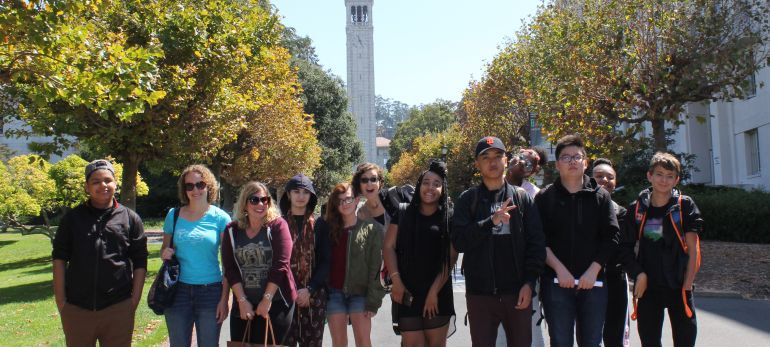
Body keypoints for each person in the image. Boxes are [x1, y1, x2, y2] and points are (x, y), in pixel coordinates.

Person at [451, 136, 546, 347]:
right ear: (477, 164)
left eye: (498, 156)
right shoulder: (469, 200)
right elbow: (459, 241)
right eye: (485, 157)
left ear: (506, 160)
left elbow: (536, 245)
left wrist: (529, 283)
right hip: (480, 295)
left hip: (517, 293)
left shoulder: (522, 198)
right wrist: (491, 221)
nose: (492, 162)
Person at [52, 159, 148, 347]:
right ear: (87, 187)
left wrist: (133, 301)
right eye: (96, 182)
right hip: (77, 309)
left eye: (107, 180)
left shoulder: (130, 218)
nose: (103, 185)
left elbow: (140, 262)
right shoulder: (72, 219)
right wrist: (61, 302)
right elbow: (59, 259)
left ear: (115, 183)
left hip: (118, 307)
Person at [534, 134, 619, 347]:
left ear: (586, 162)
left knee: (592, 342)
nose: (572, 161)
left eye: (577, 156)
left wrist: (593, 270)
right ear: (557, 164)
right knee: (561, 341)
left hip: (594, 283)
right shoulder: (545, 198)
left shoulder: (601, 197)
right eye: (566, 157)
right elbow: (537, 239)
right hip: (555, 283)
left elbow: (611, 237)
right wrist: (559, 269)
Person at [623, 152, 703, 347]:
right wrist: (638, 274)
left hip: (678, 285)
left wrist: (687, 284)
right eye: (659, 174)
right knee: (649, 341)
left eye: (669, 176)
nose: (664, 180)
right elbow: (624, 247)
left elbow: (694, 250)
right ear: (650, 176)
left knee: (685, 341)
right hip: (649, 286)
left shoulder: (684, 206)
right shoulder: (639, 208)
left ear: (676, 179)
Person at [383, 161, 457, 347]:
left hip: (438, 292)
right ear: (419, 185)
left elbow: (451, 258)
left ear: (443, 188)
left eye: (436, 183)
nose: (430, 187)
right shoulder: (403, 212)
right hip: (407, 291)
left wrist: (433, 292)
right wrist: (396, 282)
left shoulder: (449, 216)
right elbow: (388, 247)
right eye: (426, 182)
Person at [160, 164, 231, 347]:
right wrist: (165, 253)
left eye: (200, 184)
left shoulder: (221, 218)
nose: (195, 190)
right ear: (184, 190)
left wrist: (224, 299)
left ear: (209, 186)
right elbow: (164, 249)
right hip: (178, 291)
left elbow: (228, 264)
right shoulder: (173, 215)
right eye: (189, 186)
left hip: (211, 292)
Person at [222, 181, 297, 345]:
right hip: (243, 303)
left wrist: (267, 299)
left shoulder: (278, 225)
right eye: (254, 200)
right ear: (244, 203)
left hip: (277, 302)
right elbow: (230, 268)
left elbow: (281, 264)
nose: (261, 204)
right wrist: (242, 301)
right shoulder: (231, 230)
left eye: (265, 200)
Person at [323, 182, 385, 347]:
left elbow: (376, 267)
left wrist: (373, 300)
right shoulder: (327, 229)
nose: (345, 204)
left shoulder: (370, 229)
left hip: (361, 294)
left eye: (348, 199)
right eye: (340, 200)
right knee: (339, 343)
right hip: (334, 294)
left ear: (357, 200)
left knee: (363, 342)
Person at [279, 174, 330, 346]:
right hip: (285, 295)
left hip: (314, 294)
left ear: (311, 196)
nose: (301, 197)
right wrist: (294, 290)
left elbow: (325, 260)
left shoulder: (320, 223)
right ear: (288, 195)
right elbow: (278, 262)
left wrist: (309, 289)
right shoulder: (279, 224)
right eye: (296, 191)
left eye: (305, 192)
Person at [505, 146, 548, 347]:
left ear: (534, 171)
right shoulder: (493, 185)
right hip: (495, 275)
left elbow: (537, 239)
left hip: (526, 273)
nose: (522, 163)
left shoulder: (535, 195)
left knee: (531, 327)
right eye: (521, 157)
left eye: (529, 163)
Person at [591, 158, 631, 347]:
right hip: (587, 279)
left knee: (615, 335)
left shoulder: (622, 212)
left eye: (610, 177)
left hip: (615, 279)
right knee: (589, 335)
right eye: (599, 176)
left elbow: (622, 247)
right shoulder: (580, 208)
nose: (605, 180)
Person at [353, 162, 389, 229]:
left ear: (380, 182)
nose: (369, 184)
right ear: (359, 184)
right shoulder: (359, 213)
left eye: (373, 179)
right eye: (364, 180)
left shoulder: (393, 199)